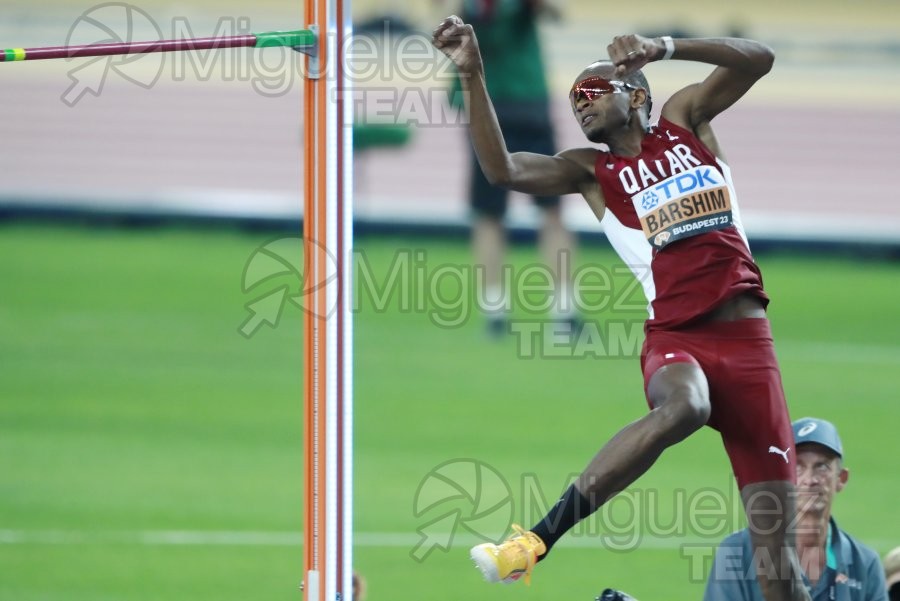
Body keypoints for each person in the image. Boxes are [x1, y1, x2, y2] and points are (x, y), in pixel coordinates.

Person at [432, 16, 811, 601]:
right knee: (686, 405)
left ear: (635, 95)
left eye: (591, 92)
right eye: (573, 99)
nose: (580, 105)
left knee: (781, 574)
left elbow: (757, 58)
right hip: (678, 336)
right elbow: (502, 169)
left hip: (750, 346)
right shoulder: (591, 171)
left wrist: (664, 48)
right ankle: (534, 542)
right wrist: (474, 73)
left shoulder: (687, 121)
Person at [445, 0, 579, 337]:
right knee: (543, 212)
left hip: (499, 103)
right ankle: (559, 311)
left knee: (497, 214)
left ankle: (501, 312)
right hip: (518, 103)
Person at [704, 417, 888, 601]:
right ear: (782, 476)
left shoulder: (865, 563)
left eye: (822, 466)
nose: (810, 479)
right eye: (797, 467)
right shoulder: (737, 552)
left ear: (841, 478)